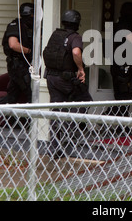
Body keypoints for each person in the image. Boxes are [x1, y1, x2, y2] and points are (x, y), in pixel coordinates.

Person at [43, 9, 93, 158]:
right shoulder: (75, 37)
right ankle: (69, 129)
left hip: (51, 77)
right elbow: (76, 53)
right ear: (77, 23)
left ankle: (53, 149)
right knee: (85, 101)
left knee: (57, 110)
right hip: (65, 79)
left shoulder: (55, 35)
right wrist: (80, 69)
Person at [108, 2, 132, 117]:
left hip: (121, 66)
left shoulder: (120, 26)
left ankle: (122, 125)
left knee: (124, 98)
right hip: (122, 68)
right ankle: (107, 116)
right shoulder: (123, 26)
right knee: (124, 97)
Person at [0, 2, 34, 105]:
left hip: (23, 65)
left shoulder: (29, 27)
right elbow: (13, 45)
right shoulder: (15, 26)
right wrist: (30, 51)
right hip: (18, 66)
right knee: (32, 94)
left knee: (12, 97)